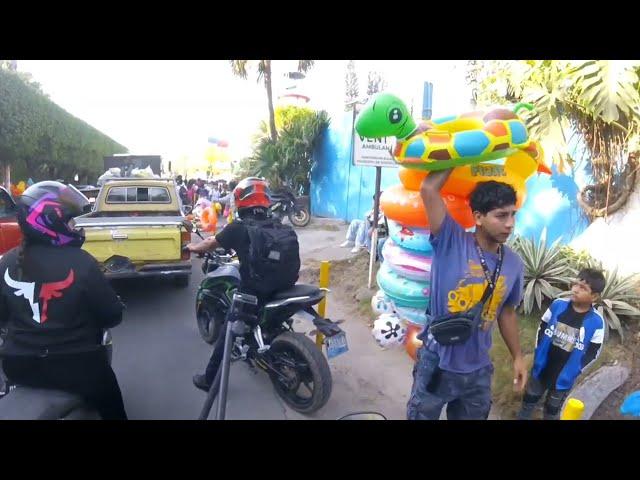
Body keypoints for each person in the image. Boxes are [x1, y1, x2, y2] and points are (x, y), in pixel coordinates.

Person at [0, 181, 127, 420]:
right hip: (77, 367)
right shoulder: (82, 262)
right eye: (70, 221)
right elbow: (112, 315)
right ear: (50, 222)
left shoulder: (6, 262)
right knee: (114, 407)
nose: (75, 226)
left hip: (18, 366)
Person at [406, 172, 527, 421]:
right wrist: (460, 148)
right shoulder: (450, 240)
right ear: (478, 217)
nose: (510, 224)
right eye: (501, 215)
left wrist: (517, 357)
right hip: (437, 362)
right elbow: (429, 188)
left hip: (478, 370)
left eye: (513, 214)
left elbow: (506, 312)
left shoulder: (514, 263)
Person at [188, 177, 300, 392]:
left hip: (254, 292)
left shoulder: (238, 228)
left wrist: (193, 248)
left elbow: (211, 243)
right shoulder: (277, 223)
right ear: (265, 199)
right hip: (285, 285)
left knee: (227, 333)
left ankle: (209, 380)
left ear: (240, 200)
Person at [517, 268, 606, 420]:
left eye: (583, 288)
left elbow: (593, 352)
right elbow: (543, 326)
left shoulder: (596, 322)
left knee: (552, 410)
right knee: (529, 400)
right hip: (542, 368)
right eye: (576, 284)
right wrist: (538, 354)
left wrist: (576, 369)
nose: (575, 289)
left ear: (595, 296)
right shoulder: (557, 305)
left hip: (564, 376)